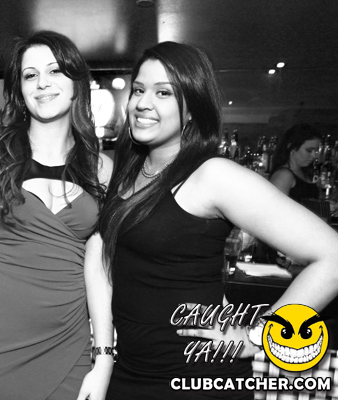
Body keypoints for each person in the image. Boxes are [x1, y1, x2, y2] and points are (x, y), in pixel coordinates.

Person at [98, 41, 338, 399]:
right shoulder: (128, 171)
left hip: (194, 377)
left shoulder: (213, 175)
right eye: (138, 90)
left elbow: (332, 256)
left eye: (163, 92)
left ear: (192, 109)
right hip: (130, 370)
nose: (143, 103)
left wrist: (258, 336)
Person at [0, 31, 114, 400]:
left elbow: (100, 269)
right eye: (30, 75)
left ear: (77, 83)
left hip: (70, 348)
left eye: (54, 71)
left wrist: (103, 359)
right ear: (19, 90)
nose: (42, 83)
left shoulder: (101, 168)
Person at [269, 123, 322, 203]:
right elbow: (274, 207)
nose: (314, 155)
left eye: (316, 151)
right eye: (309, 150)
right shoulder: (283, 175)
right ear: (292, 147)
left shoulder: (303, 171)